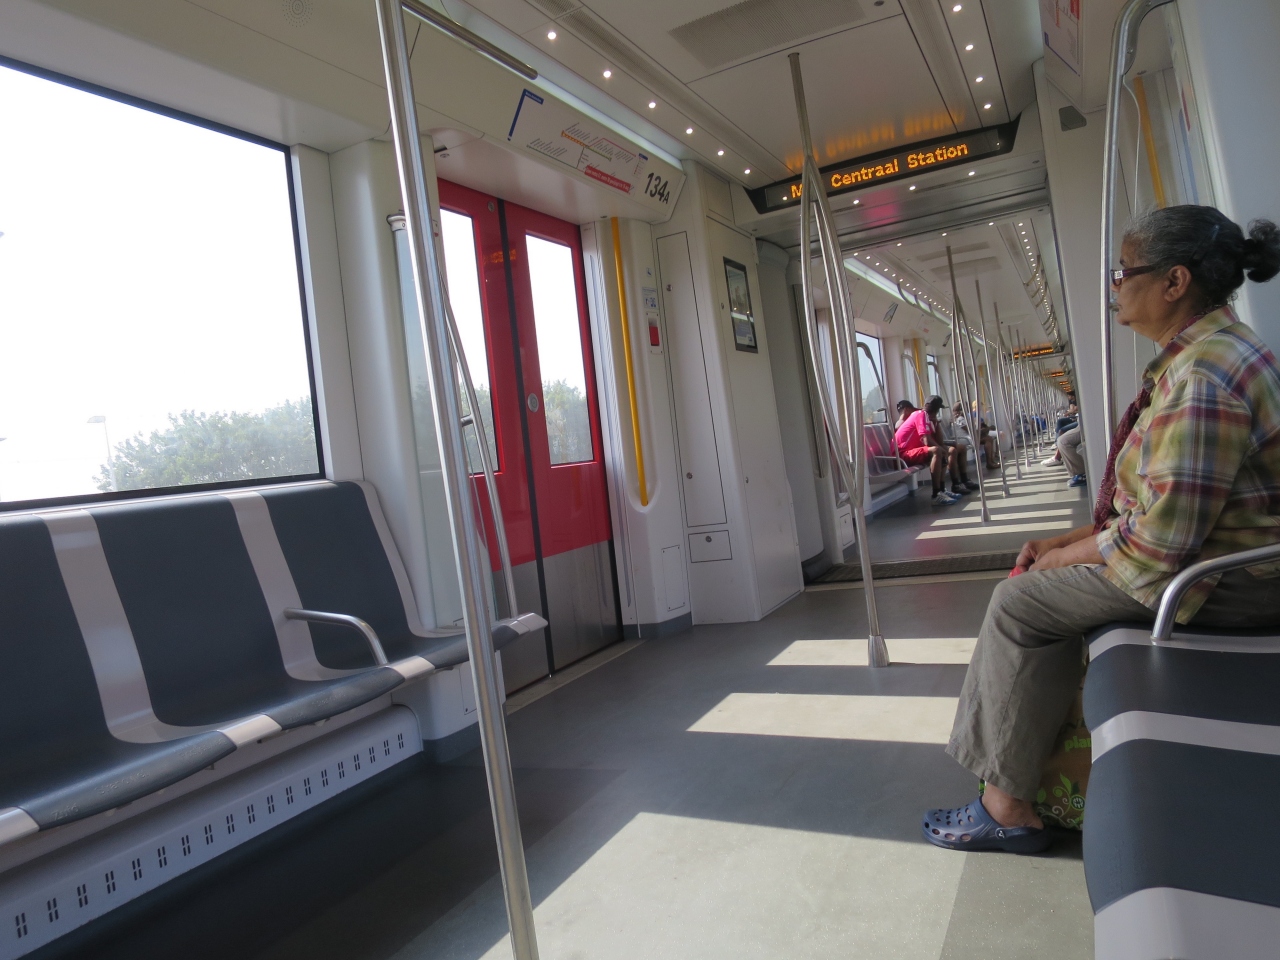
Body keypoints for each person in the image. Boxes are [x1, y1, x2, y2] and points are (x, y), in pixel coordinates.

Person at [923, 205, 1280, 853]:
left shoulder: (1202, 378)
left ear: (1174, 282)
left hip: (1225, 583)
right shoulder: (1215, 354)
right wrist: (1065, 544)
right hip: (1224, 560)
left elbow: (1159, 544)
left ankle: (1006, 807)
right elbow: (1161, 507)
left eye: (1123, 272)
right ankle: (1026, 781)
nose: (1114, 285)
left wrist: (1062, 562)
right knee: (1041, 582)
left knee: (1019, 603)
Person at [895, 399, 959, 505]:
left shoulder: (927, 418)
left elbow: (939, 441)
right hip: (901, 455)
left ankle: (942, 489)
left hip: (910, 452)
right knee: (937, 450)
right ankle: (936, 494)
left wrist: (936, 423)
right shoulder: (921, 415)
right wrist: (942, 450)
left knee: (942, 449)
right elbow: (927, 441)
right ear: (937, 410)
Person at [953, 401, 999, 472]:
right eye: (967, 408)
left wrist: (984, 429)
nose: (969, 409)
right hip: (965, 439)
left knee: (989, 438)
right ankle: (989, 463)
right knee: (988, 439)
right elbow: (971, 431)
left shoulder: (964, 418)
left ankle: (991, 461)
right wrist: (988, 429)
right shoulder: (960, 419)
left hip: (970, 437)